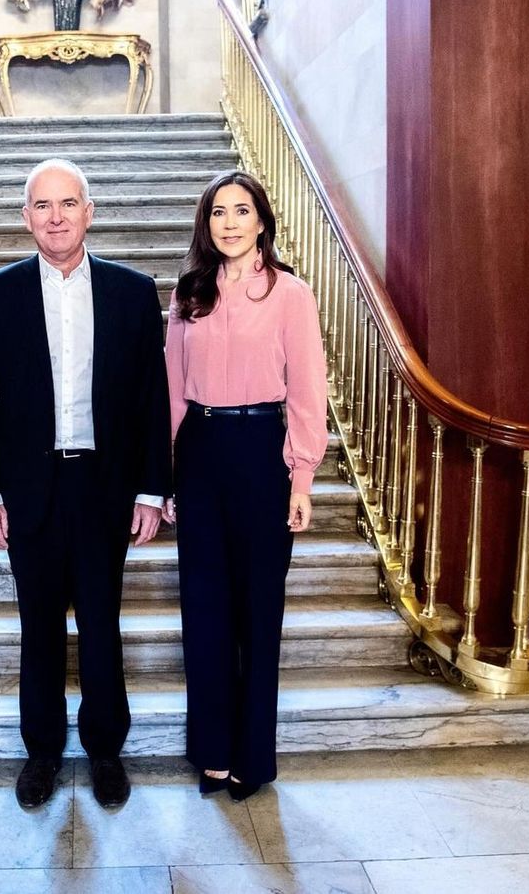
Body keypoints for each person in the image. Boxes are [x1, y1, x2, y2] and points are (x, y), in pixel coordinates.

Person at [0, 158, 172, 809]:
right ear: (26, 217)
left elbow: (150, 400)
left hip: (105, 486)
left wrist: (150, 490)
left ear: (89, 211)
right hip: (30, 489)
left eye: (68, 203)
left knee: (103, 624)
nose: (56, 217)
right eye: (42, 205)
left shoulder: (132, 292)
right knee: (40, 625)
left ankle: (105, 747)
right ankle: (44, 751)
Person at [162, 170, 327, 801]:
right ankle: (212, 750)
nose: (229, 222)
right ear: (207, 225)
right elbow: (173, 392)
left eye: (241, 210)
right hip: (200, 453)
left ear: (262, 220)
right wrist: (167, 476)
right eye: (217, 213)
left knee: (260, 612)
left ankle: (252, 756)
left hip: (263, 453)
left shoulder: (291, 294)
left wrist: (302, 477)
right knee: (205, 610)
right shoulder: (189, 295)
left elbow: (308, 391)